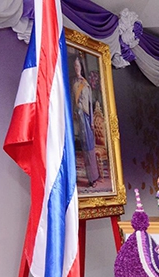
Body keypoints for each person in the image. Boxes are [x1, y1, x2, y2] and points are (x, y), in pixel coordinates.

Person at [72, 55, 100, 187]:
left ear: (81, 67)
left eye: (78, 66)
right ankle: (84, 176)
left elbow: (89, 104)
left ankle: (93, 177)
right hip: (77, 117)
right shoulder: (74, 83)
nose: (76, 68)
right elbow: (73, 101)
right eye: (75, 66)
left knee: (89, 148)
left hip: (86, 118)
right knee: (81, 149)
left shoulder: (85, 85)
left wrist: (92, 122)